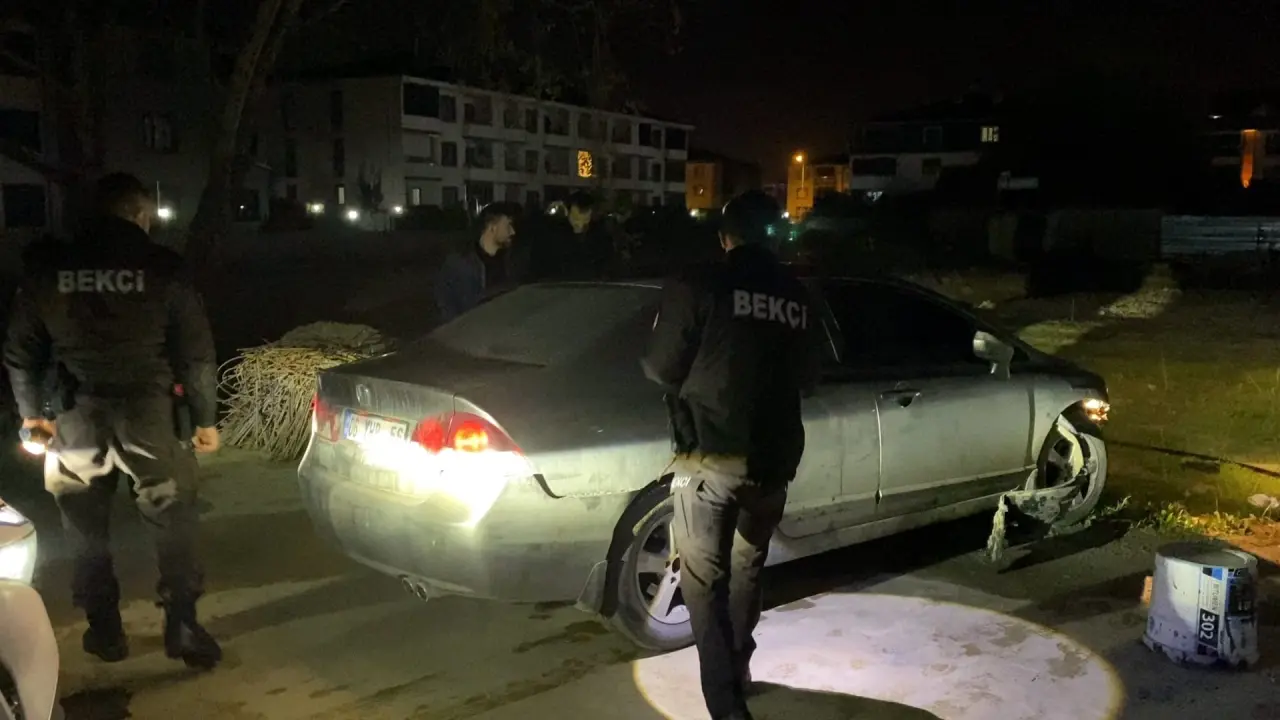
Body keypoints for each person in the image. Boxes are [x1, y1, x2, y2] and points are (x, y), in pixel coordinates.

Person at [3, 172, 223, 670]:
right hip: (150, 416)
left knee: (84, 524)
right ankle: (182, 625)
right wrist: (205, 419)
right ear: (141, 215)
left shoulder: (50, 270)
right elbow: (196, 354)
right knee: (172, 516)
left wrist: (32, 417)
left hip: (75, 417)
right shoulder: (164, 269)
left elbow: (21, 353)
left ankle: (104, 631)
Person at [641, 190, 818, 720]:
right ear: (773, 237)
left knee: (704, 583)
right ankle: (738, 668)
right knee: (747, 568)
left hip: (711, 458)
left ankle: (726, 706)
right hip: (774, 460)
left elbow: (661, 367)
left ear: (725, 238)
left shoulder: (699, 284)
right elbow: (810, 375)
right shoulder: (797, 295)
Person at [433, 201, 518, 323]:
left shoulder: (509, 260)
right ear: (492, 227)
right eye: (508, 226)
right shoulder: (461, 264)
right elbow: (452, 307)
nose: (512, 232)